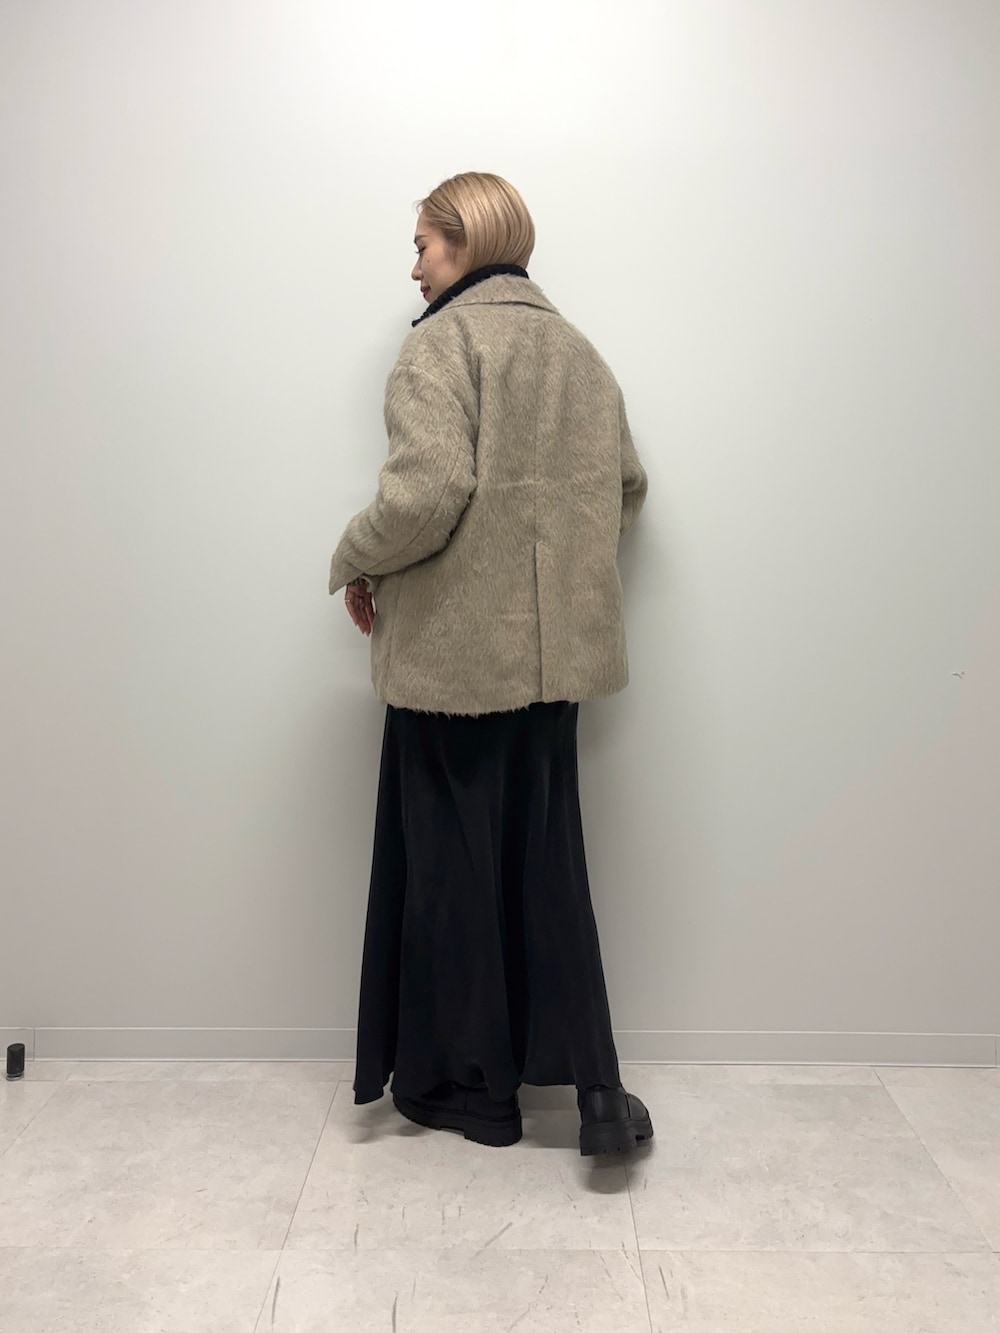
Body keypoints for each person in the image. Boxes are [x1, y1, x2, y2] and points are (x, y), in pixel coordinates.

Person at [328, 172, 652, 1156]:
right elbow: (627, 488)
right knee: (546, 870)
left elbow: (425, 494)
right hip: (553, 668)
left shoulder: (442, 344)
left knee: (450, 874)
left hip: (455, 665)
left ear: (465, 243)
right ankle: (598, 1091)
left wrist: (352, 557)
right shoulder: (577, 351)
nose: (414, 268)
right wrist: (555, 576)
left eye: (423, 246)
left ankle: (474, 1093)